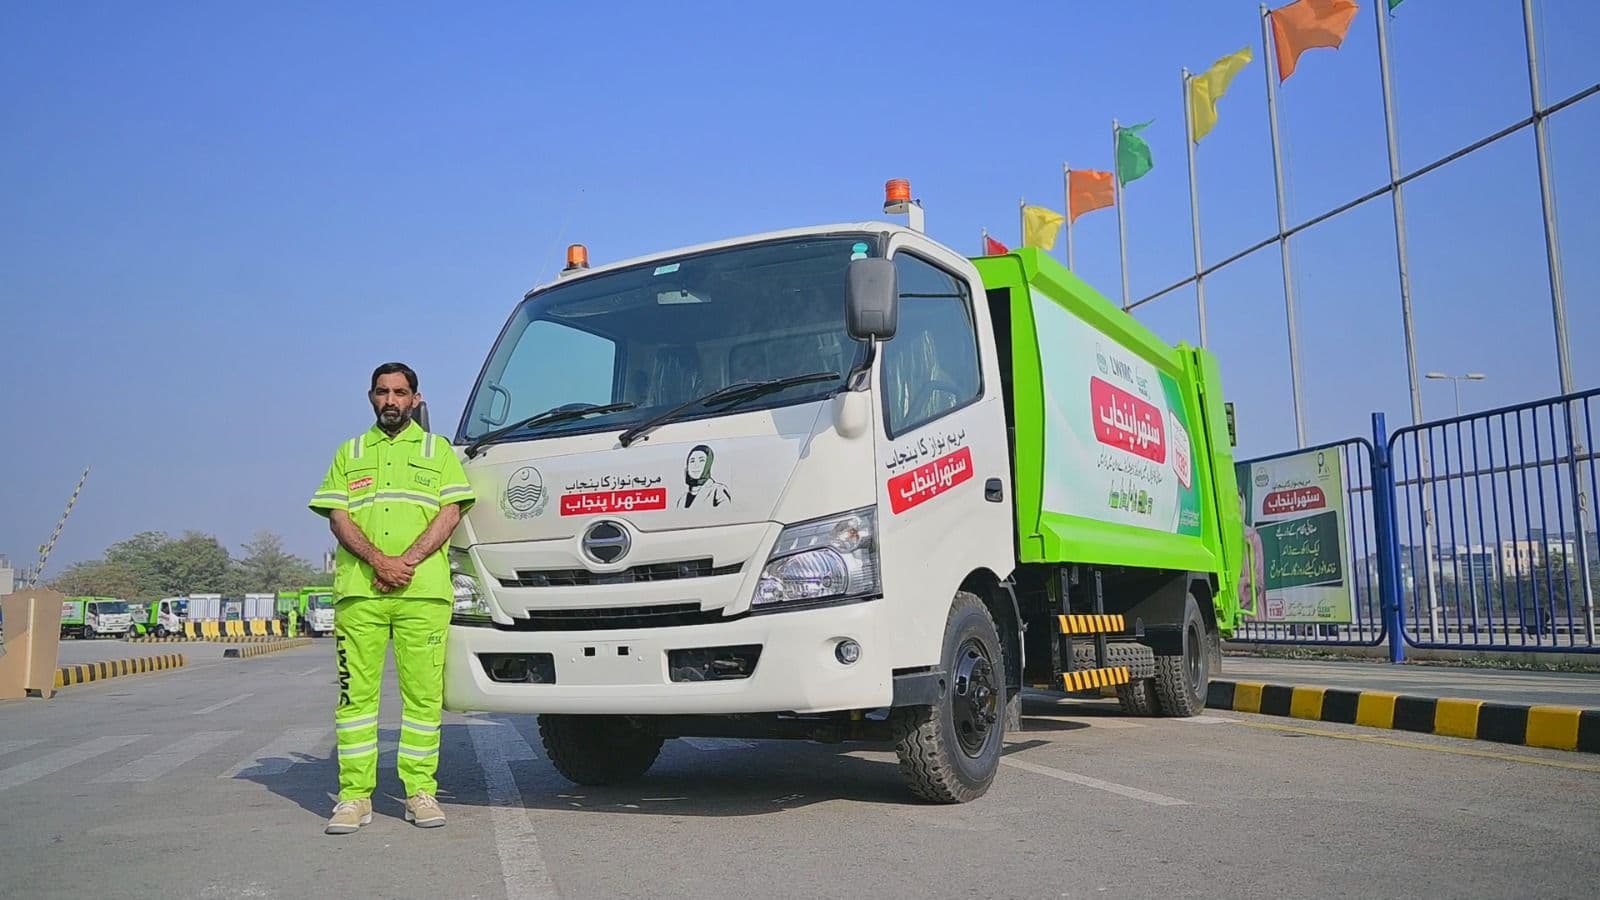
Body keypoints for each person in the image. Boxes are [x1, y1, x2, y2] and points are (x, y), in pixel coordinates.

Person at [308, 362, 476, 835]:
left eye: (400, 392)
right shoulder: (350, 451)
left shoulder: (437, 450)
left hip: (422, 594)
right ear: (370, 397)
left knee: (422, 700)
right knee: (354, 700)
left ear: (415, 399)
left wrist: (406, 561)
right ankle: (353, 798)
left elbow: (451, 512)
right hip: (361, 594)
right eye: (382, 392)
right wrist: (380, 561)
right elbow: (337, 517)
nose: (390, 400)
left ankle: (420, 792)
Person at [678, 444, 731, 509]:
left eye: (701, 461)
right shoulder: (682, 500)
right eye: (692, 461)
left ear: (708, 464)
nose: (696, 465)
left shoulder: (718, 490)